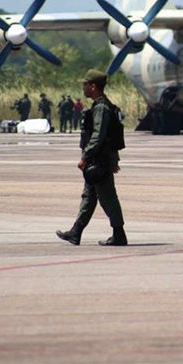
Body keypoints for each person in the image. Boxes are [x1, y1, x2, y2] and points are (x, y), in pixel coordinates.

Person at [56, 69, 128, 247]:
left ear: (93, 86)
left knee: (107, 197)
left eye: (85, 84)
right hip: (98, 159)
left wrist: (86, 156)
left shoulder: (101, 108)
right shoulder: (100, 106)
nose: (83, 87)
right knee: (88, 196)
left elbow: (100, 135)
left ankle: (119, 234)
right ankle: (76, 232)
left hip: (98, 160)